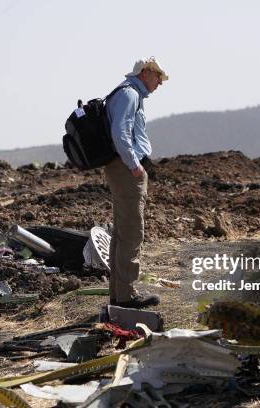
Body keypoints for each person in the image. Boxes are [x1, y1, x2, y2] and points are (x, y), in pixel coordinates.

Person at [104, 57, 168, 309]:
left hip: (119, 166)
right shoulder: (130, 95)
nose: (160, 83)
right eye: (158, 77)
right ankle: (127, 297)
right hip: (125, 168)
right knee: (131, 233)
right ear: (145, 73)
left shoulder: (124, 93)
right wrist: (134, 165)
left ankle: (118, 295)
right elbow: (120, 132)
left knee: (121, 233)